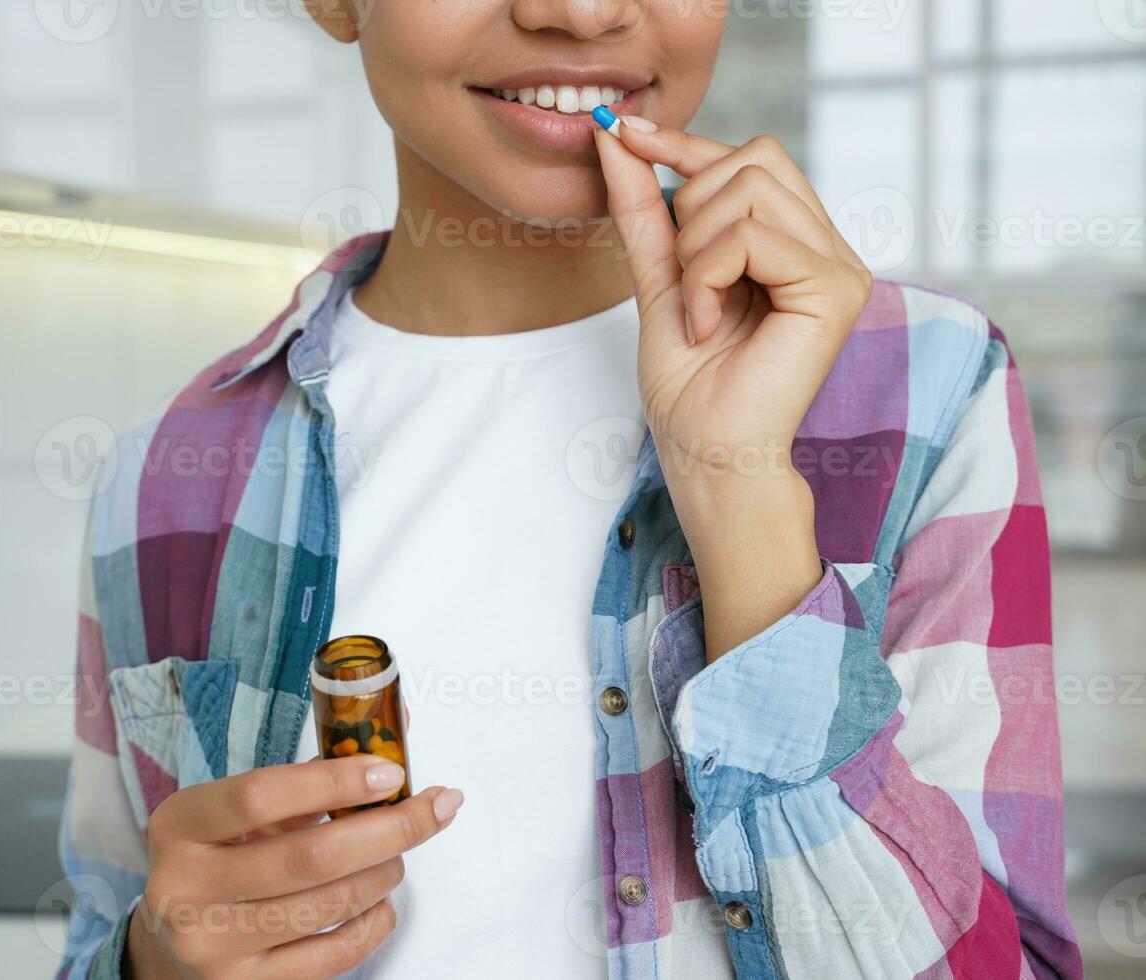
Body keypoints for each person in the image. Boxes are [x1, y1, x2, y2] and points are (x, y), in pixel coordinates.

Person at [57, 2, 1081, 977]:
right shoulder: (164, 473)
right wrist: (156, 963)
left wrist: (742, 497)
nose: (584, 14)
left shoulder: (929, 385)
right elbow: (106, 928)